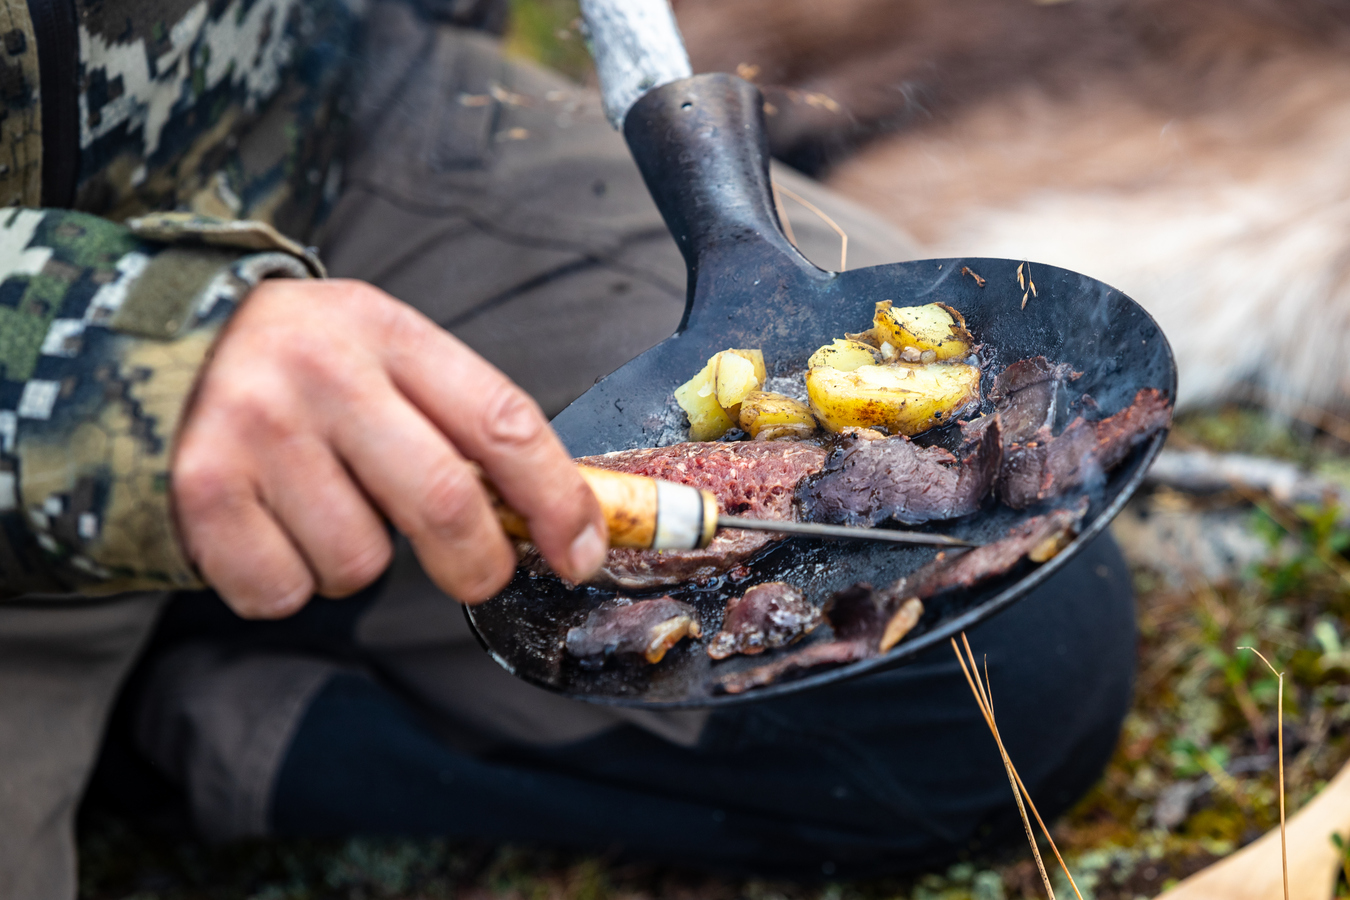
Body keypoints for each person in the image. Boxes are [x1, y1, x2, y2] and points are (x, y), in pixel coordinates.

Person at [0, 1, 1138, 897]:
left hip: (279, 128)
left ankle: (204, 720)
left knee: (1005, 662)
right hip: (40, 347)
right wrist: (105, 363)